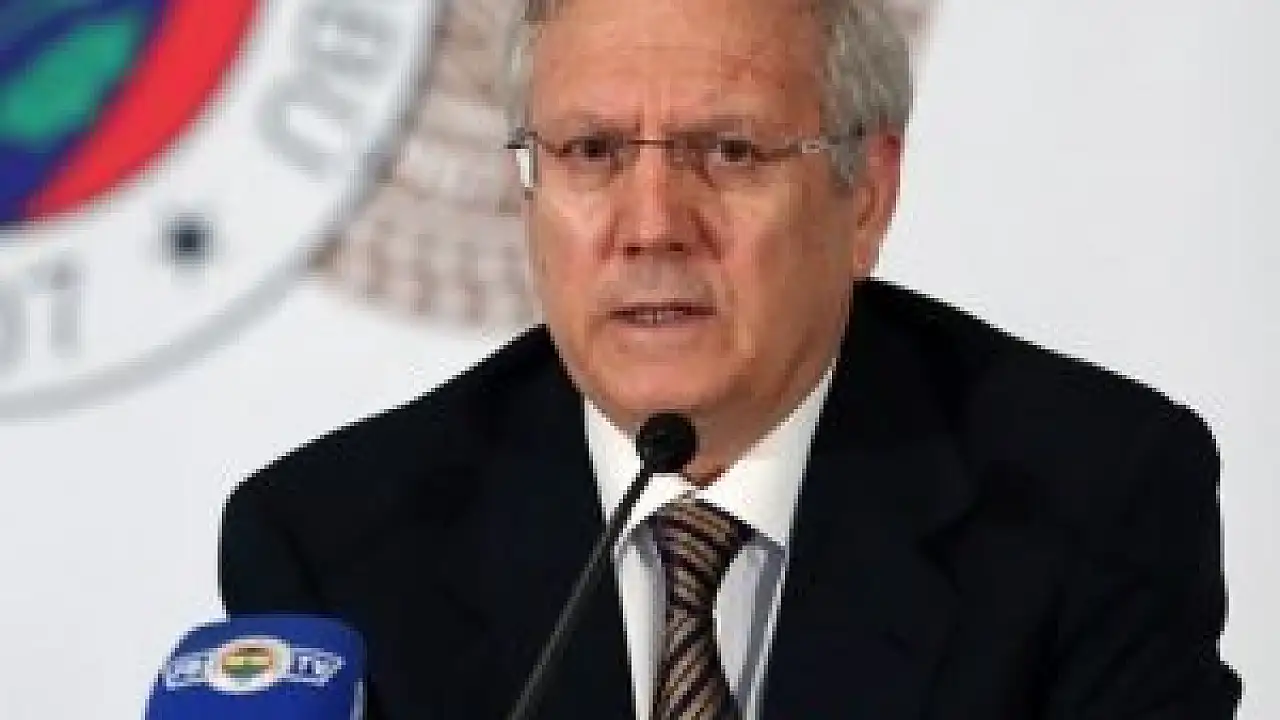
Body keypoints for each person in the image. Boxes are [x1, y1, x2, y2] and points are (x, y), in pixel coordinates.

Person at [218, 0, 1243, 717]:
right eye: (591, 152)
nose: (652, 225)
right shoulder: (339, 550)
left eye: (731, 151)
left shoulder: (1087, 499)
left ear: (864, 196)